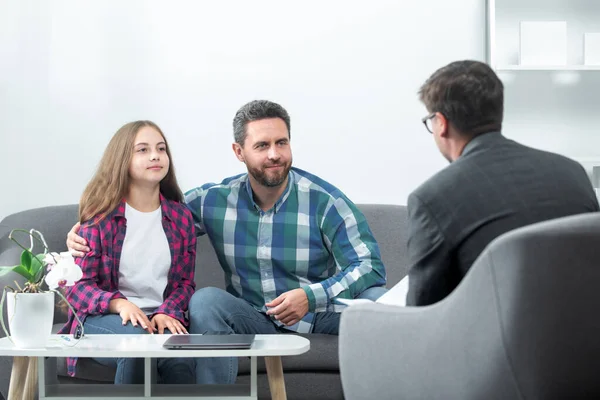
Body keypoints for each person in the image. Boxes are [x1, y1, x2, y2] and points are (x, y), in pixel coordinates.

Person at [67, 100, 387, 384]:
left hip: (316, 314)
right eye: (262, 145)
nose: (274, 154)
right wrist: (81, 231)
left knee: (383, 305)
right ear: (239, 152)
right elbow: (149, 219)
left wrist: (310, 296)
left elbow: (369, 265)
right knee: (205, 301)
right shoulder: (212, 201)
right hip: (250, 317)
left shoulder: (324, 200)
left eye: (282, 143)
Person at [406, 60, 600, 306]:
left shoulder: (432, 198)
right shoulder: (573, 173)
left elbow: (422, 312)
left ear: (441, 123)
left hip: (493, 342)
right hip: (585, 337)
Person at [60, 120, 197, 384]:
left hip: (159, 316)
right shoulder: (100, 218)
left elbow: (184, 283)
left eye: (161, 148)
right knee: (137, 342)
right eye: (142, 150)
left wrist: (167, 311)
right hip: (105, 318)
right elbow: (77, 288)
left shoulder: (181, 217)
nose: (155, 155)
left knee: (181, 357)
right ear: (122, 159)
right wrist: (119, 303)